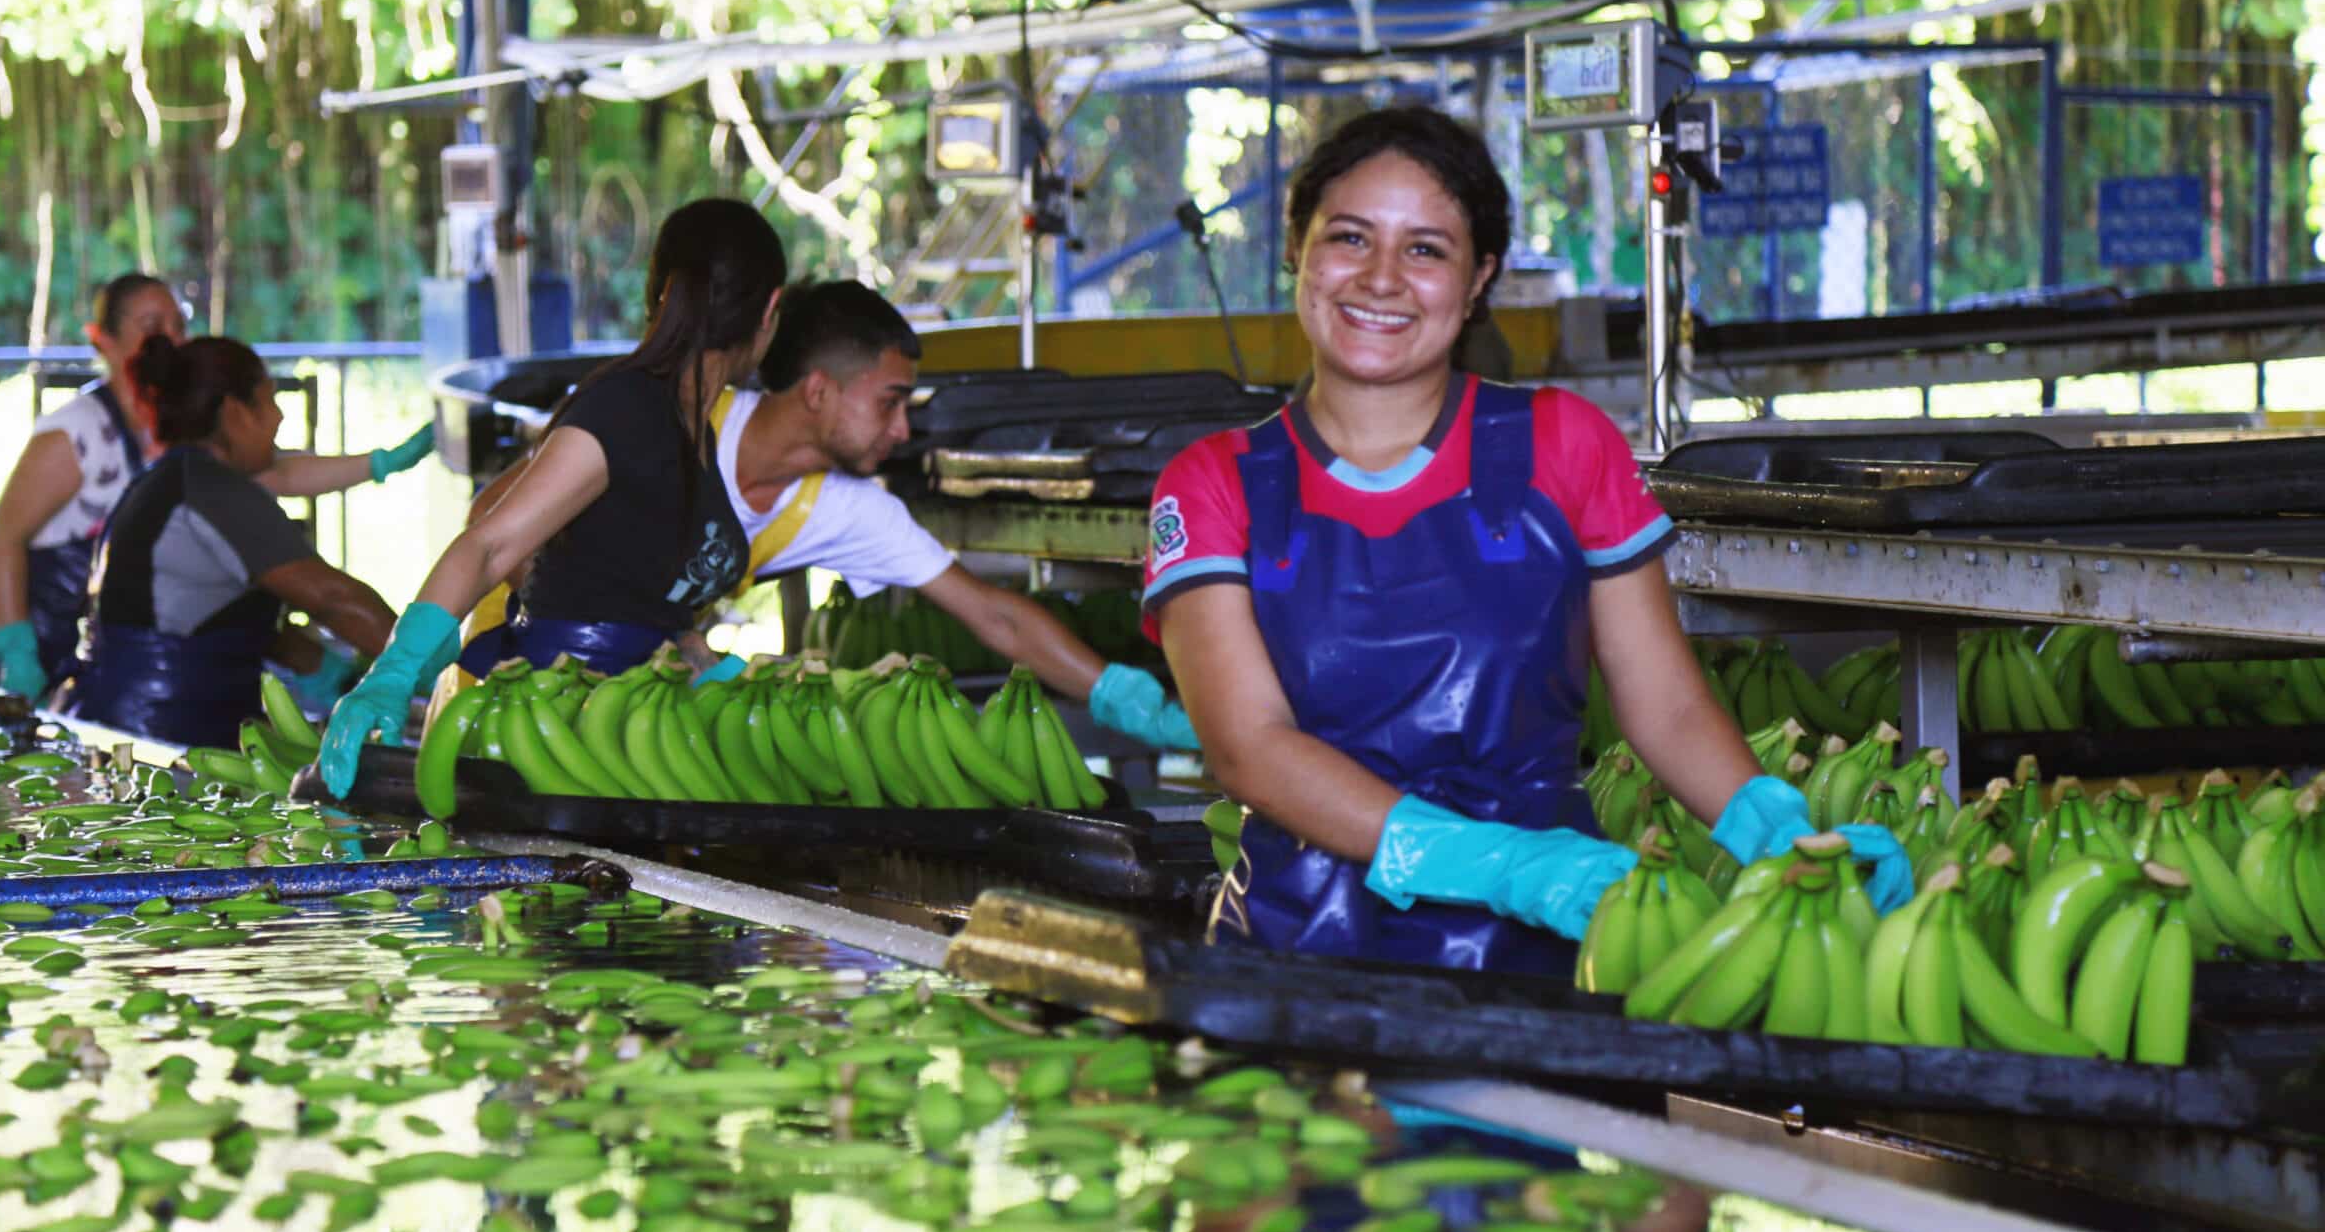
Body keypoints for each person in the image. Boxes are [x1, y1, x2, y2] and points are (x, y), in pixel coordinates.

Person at [1144, 106, 1908, 973]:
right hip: (1293, 966)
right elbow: (1249, 745)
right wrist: (1499, 866)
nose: (1382, 278)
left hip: (1543, 963)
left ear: (1479, 280)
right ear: (1297, 249)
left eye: (1426, 249)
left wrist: (1774, 829)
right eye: (1350, 238)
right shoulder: (1214, 483)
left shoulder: (1566, 445)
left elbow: (1665, 706)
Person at [316, 199, 788, 796]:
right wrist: (394, 670)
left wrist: (708, 667)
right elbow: (490, 543)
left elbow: (637, 593)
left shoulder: (692, 424)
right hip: (553, 718)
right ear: (770, 310)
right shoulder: (625, 407)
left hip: (632, 714)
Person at [721, 280, 1193, 748]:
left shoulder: (851, 510)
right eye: (890, 402)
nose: (903, 429)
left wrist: (1128, 702)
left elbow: (996, 616)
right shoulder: (688, 426)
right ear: (819, 391)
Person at [0, 273, 436, 705]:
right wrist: (17, 651)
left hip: (107, 650)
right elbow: (2, 538)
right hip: (29, 631)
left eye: (176, 323)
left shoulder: (181, 438)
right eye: (150, 323)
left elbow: (278, 473)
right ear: (104, 341)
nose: (169, 337)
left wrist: (381, 463)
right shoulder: (77, 433)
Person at [63, 336, 399, 748]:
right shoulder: (213, 491)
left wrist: (331, 671)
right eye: (269, 401)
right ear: (235, 413)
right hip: (159, 735)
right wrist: (427, 667)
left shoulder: (168, 478)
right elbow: (333, 599)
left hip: (119, 721)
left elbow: (219, 619)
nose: (278, 418)